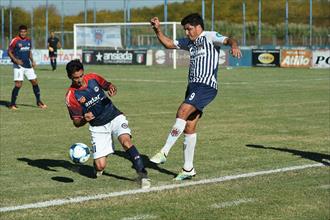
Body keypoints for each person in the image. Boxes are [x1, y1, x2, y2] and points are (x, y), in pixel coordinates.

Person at [149, 13, 242, 180]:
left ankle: (164, 151)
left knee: (182, 112)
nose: (186, 33)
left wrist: (234, 46)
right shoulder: (190, 42)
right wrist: (158, 30)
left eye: (189, 29)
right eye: (185, 30)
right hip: (193, 86)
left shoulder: (209, 36)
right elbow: (169, 44)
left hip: (206, 85)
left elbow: (229, 40)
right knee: (189, 126)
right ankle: (188, 168)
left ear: (198, 26)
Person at [65, 59, 151, 189]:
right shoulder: (71, 96)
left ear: (84, 72)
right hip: (97, 127)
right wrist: (84, 119)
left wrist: (112, 89)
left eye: (81, 75)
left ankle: (142, 175)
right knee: (100, 166)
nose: (80, 79)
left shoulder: (93, 78)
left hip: (114, 116)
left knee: (126, 142)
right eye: (76, 78)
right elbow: (76, 122)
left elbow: (109, 86)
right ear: (70, 77)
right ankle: (97, 168)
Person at [8, 25, 47, 110]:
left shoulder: (29, 40)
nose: (23, 33)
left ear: (26, 32)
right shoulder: (15, 40)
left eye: (24, 32)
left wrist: (32, 60)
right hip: (18, 65)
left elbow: (29, 51)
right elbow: (9, 51)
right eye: (21, 32)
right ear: (19, 32)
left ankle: (38, 101)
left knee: (35, 82)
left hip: (28, 65)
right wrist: (15, 60)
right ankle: (12, 104)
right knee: (18, 84)